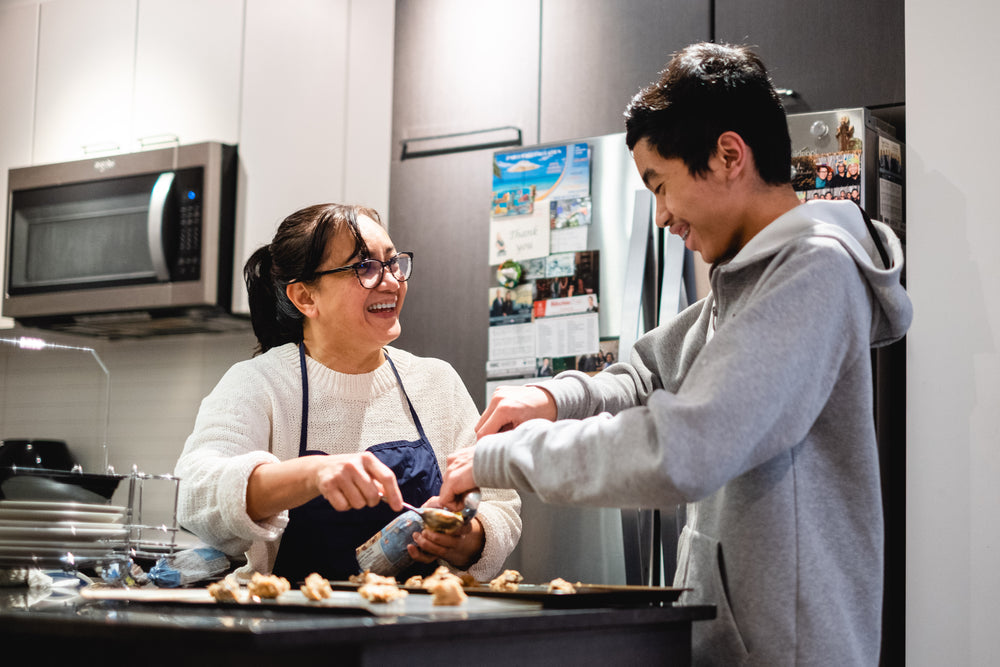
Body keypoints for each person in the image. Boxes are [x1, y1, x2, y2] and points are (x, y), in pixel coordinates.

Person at [438, 42, 911, 666]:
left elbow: (684, 447)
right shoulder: (747, 281)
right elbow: (647, 372)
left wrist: (499, 458)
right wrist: (551, 397)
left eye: (661, 186)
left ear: (728, 156)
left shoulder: (813, 273)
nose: (661, 216)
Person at [174, 203, 520, 585]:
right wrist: (312, 474)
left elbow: (499, 506)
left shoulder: (437, 382)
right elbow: (194, 494)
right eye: (365, 268)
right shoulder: (260, 383)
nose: (390, 281)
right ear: (306, 298)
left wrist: (464, 539)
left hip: (420, 629)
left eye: (392, 263)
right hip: (292, 629)